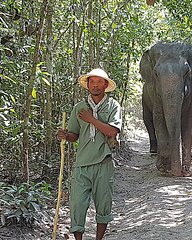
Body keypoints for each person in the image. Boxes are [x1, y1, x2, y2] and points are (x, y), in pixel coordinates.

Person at [57, 68, 122, 240]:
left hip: (104, 163)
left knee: (103, 205)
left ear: (105, 85)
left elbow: (112, 132)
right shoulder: (79, 108)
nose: (95, 85)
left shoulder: (112, 105)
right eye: (92, 82)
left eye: (99, 82)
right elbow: (74, 135)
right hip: (82, 164)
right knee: (77, 204)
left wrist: (91, 119)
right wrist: (65, 136)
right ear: (87, 85)